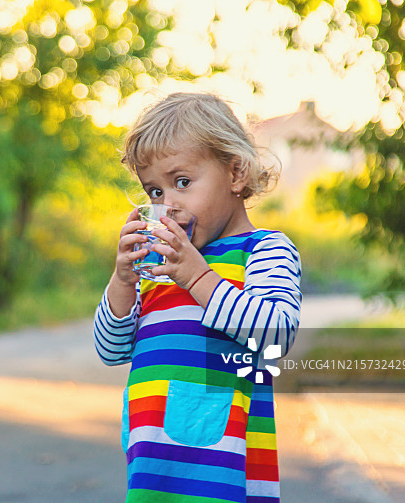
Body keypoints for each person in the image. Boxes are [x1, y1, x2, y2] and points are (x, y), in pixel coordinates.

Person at [94, 92, 301, 503]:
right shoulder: (161, 264)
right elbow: (111, 349)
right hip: (153, 467)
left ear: (236, 174)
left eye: (182, 182)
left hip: (225, 474)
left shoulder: (263, 250)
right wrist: (121, 280)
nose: (167, 206)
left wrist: (198, 277)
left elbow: (276, 335)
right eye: (154, 192)